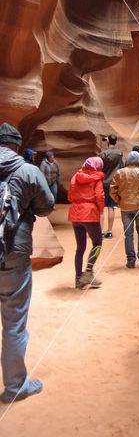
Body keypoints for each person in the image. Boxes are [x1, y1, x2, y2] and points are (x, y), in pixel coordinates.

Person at [0, 123, 54, 404]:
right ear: (17, 146)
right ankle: (15, 387)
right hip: (13, 251)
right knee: (13, 322)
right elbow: (46, 205)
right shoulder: (27, 170)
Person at [68, 157, 104, 289]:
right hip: (89, 213)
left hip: (75, 213)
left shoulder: (75, 177)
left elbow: (70, 196)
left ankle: (78, 278)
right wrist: (99, 210)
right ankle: (88, 272)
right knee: (97, 243)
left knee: (80, 247)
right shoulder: (96, 178)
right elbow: (99, 196)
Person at [110, 151, 139, 269]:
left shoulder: (120, 173)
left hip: (125, 208)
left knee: (128, 234)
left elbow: (112, 189)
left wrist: (118, 201)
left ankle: (131, 260)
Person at [99, 134, 123, 238]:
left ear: (108, 142)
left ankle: (100, 232)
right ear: (116, 142)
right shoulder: (119, 154)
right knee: (111, 207)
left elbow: (100, 167)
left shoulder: (103, 154)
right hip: (113, 183)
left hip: (103, 183)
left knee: (101, 209)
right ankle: (109, 232)